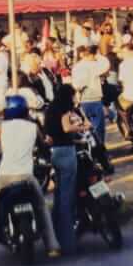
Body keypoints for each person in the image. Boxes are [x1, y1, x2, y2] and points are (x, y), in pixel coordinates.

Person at [0, 96, 60, 264]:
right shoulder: (33, 127)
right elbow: (44, 146)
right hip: (27, 177)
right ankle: (52, 246)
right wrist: (47, 145)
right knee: (42, 207)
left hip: (4, 177)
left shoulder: (2, 128)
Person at [44, 84, 84, 255]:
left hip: (55, 153)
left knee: (59, 197)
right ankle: (68, 243)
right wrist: (80, 128)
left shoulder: (50, 109)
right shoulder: (65, 109)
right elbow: (66, 128)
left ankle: (53, 237)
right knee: (67, 199)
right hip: (67, 153)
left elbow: (50, 134)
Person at [71, 46, 112, 172]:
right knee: (98, 132)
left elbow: (76, 84)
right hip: (94, 100)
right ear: (92, 55)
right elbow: (106, 65)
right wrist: (98, 54)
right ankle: (100, 158)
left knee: (85, 132)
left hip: (82, 101)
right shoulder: (94, 65)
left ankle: (91, 157)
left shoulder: (77, 66)